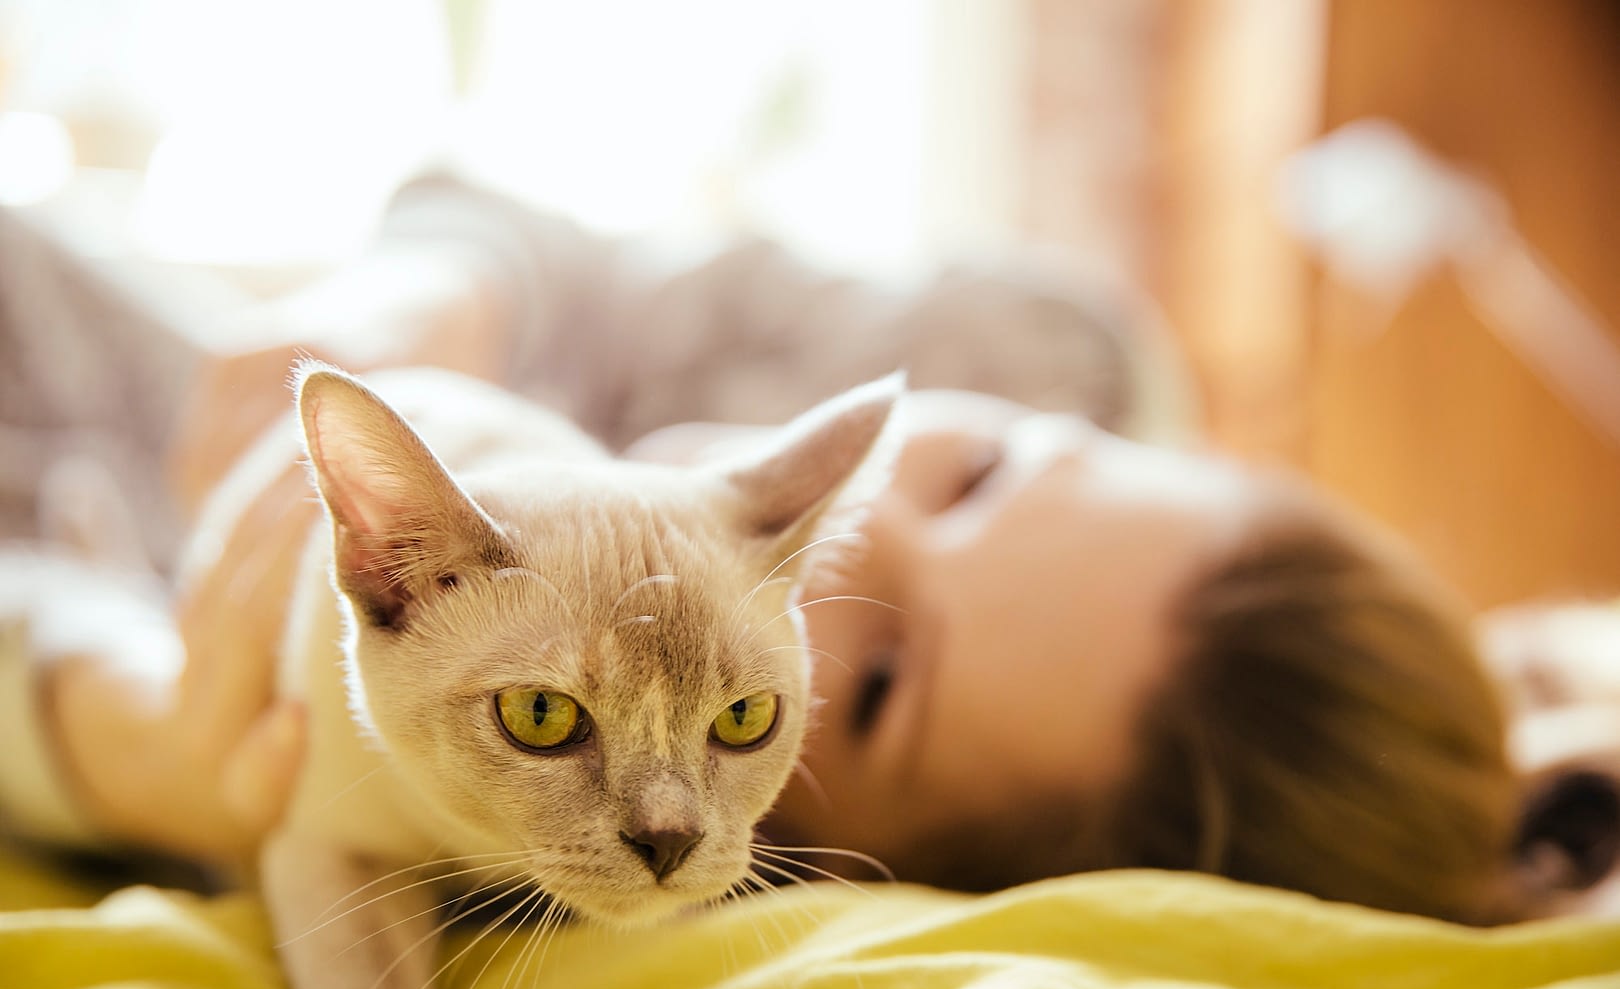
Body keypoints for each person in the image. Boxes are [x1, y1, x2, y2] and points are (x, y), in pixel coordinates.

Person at [0, 178, 1599, 924]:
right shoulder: (1040, 344)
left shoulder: (588, 827)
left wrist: (105, 735)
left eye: (882, 671)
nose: (850, 525)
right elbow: (561, 251)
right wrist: (414, 306)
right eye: (976, 475)